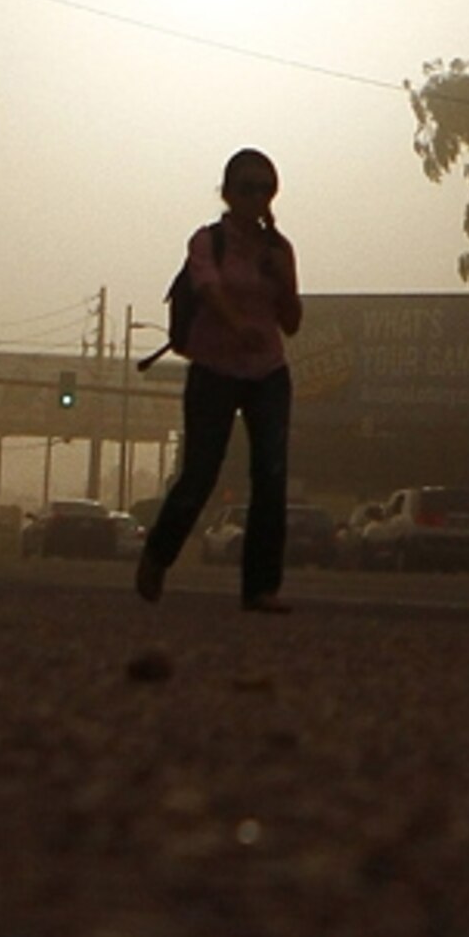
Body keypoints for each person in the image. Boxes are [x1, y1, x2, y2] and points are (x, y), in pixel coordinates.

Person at [137, 148, 303, 611]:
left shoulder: (279, 249)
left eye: (264, 188)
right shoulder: (209, 242)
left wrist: (283, 281)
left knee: (270, 476)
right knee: (201, 473)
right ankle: (158, 554)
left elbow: (291, 322)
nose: (256, 196)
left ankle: (261, 587)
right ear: (228, 193)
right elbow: (208, 289)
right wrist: (237, 326)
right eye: (246, 187)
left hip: (267, 372)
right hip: (214, 369)